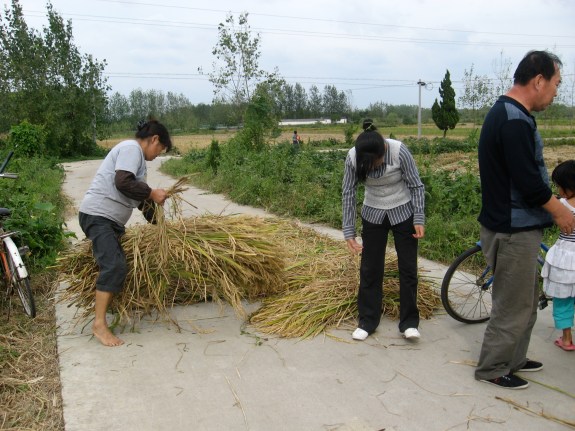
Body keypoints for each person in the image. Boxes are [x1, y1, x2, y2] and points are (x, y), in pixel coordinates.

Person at [475, 50, 575, 389]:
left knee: (527, 301)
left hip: (516, 226)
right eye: (557, 84)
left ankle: (514, 358)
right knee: (512, 306)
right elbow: (529, 184)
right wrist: (561, 210)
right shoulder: (513, 119)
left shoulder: (510, 113)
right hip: (512, 230)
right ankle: (492, 367)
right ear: (539, 80)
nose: (556, 92)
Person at [78, 119, 172, 347]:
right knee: (115, 265)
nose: (158, 155)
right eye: (160, 149)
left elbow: (139, 198)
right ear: (155, 139)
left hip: (109, 222)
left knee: (117, 262)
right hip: (99, 217)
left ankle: (104, 310)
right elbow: (123, 182)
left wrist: (164, 229)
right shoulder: (131, 149)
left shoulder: (138, 161)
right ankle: (99, 325)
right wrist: (151, 192)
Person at [342, 119, 425, 341]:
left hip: (403, 212)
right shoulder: (353, 157)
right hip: (373, 213)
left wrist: (419, 217)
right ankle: (367, 321)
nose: (374, 167)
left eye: (376, 162)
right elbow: (349, 193)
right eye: (368, 165)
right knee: (370, 268)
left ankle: (409, 322)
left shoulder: (399, 151)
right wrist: (348, 231)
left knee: (408, 267)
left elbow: (416, 185)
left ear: (384, 151)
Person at [541, 160, 575, 351]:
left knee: (563, 300)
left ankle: (567, 339)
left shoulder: (562, 205)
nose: (560, 190)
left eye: (561, 186)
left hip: (566, 258)